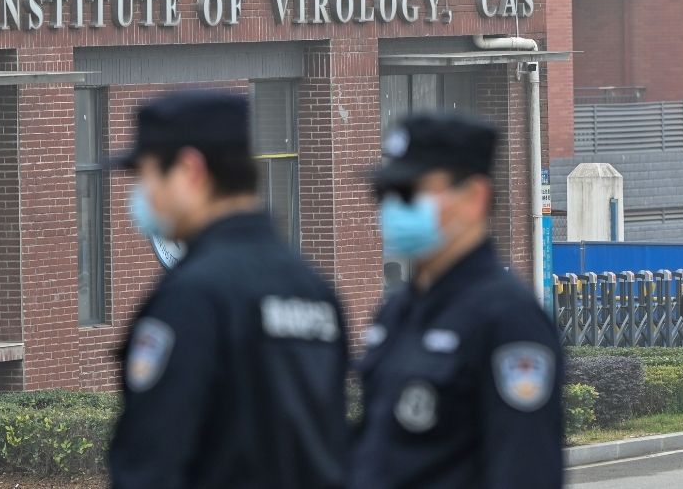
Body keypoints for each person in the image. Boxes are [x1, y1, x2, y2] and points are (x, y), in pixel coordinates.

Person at [107, 91, 350, 489]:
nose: (140, 193)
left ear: (190, 170)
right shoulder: (313, 288)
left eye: (144, 174)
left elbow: (151, 460)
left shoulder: (192, 297)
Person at [352, 114, 563, 489]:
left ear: (473, 197)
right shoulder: (398, 312)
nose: (391, 210)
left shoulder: (507, 318)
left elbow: (525, 469)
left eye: (409, 194)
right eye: (384, 195)